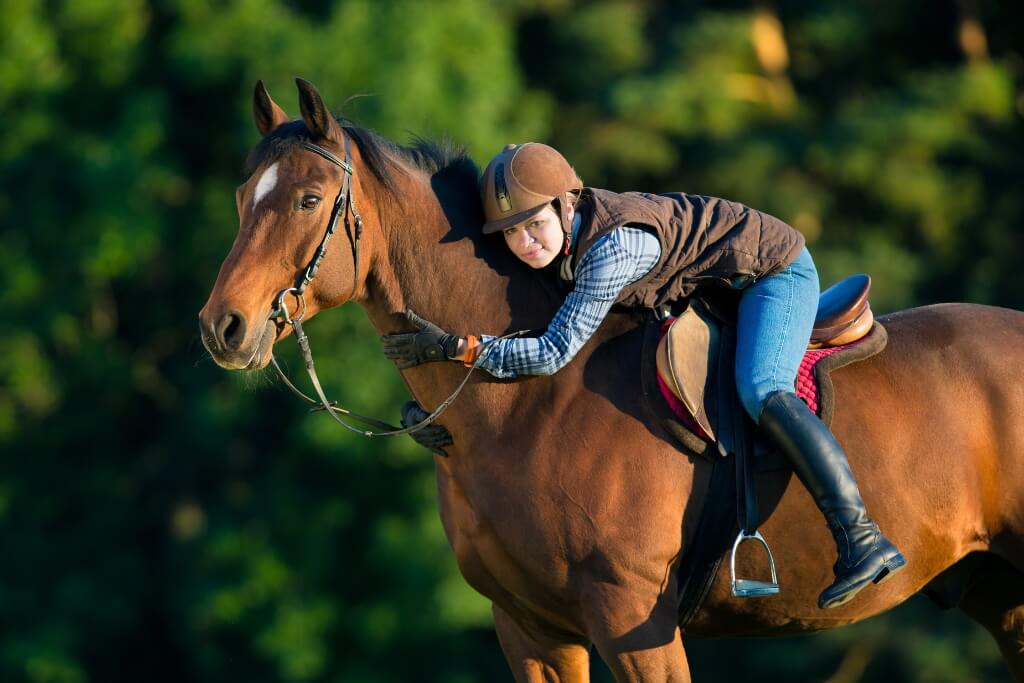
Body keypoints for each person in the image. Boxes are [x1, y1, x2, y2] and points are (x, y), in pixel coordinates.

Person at [382, 142, 906, 609]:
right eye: (511, 233)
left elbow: (552, 351)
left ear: (568, 205)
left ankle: (861, 536)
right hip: (711, 276)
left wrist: (463, 350)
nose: (524, 244)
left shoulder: (612, 250)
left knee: (761, 388)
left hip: (772, 272)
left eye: (533, 224)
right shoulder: (562, 243)